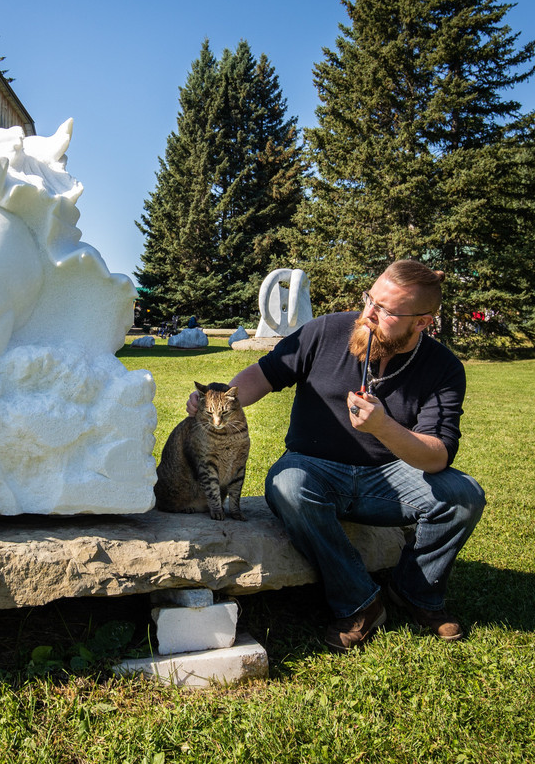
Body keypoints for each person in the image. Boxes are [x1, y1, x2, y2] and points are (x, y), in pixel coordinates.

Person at [188, 260, 484, 652]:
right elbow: (265, 374)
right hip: (315, 466)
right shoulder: (327, 331)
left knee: (464, 496)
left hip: (390, 476)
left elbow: (436, 457)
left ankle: (415, 593)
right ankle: (361, 602)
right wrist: (218, 395)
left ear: (422, 322)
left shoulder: (443, 368)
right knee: (287, 483)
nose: (369, 315)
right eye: (369, 300)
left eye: (385, 310)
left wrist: (382, 427)